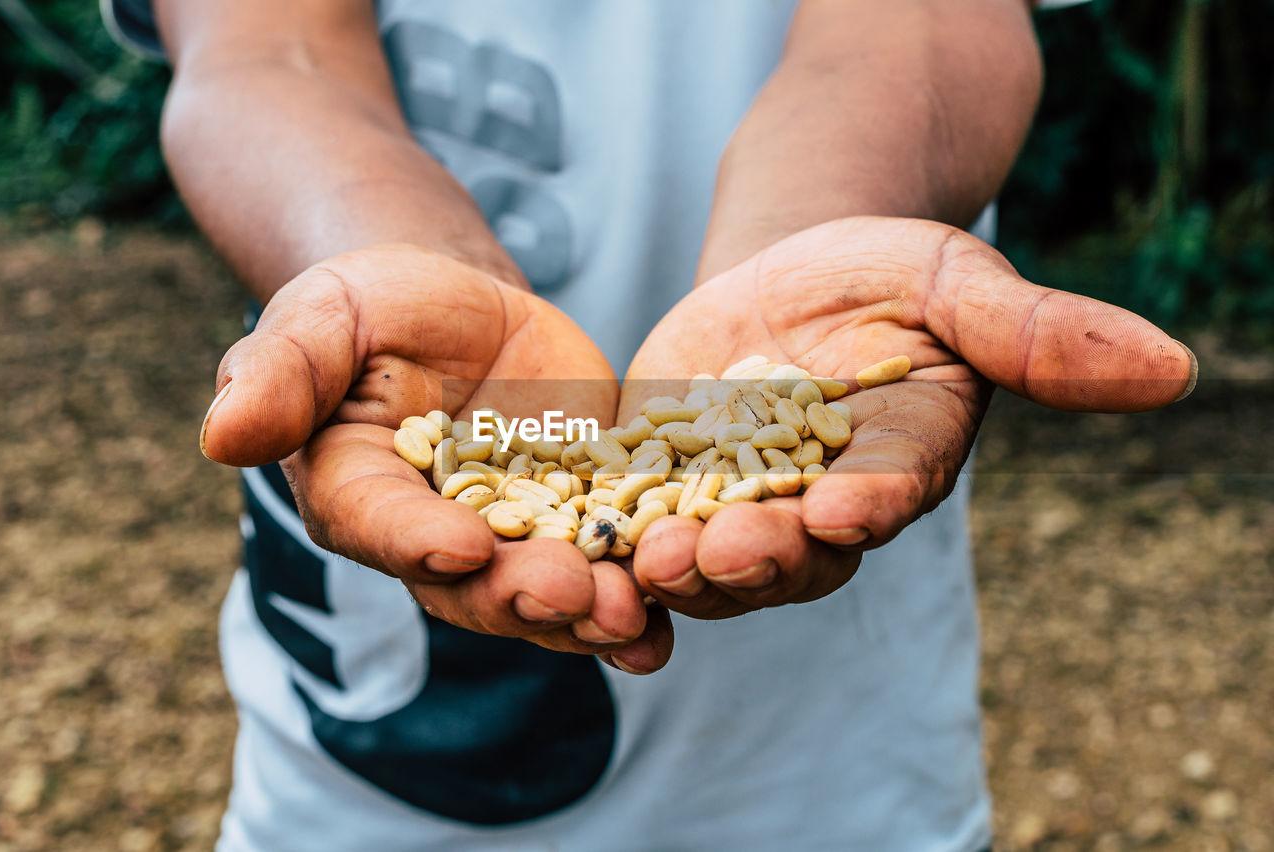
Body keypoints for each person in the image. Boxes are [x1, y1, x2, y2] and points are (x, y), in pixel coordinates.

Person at [105, 1, 1195, 849]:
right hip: (372, 732)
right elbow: (264, 46)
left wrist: (821, 238)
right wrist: (375, 262)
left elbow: (918, 20)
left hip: (826, 763)